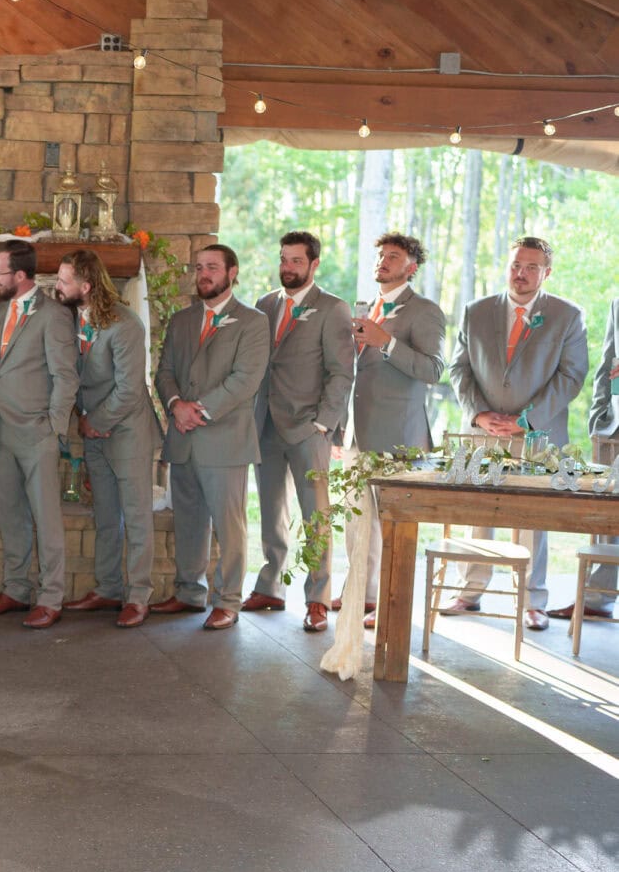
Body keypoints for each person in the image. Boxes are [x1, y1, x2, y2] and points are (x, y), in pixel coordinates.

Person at [448, 236, 588, 633]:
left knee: (531, 518)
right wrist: (478, 415)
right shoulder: (476, 311)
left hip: (537, 434)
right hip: (483, 433)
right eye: (515, 265)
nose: (521, 273)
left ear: (546, 272)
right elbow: (459, 368)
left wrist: (527, 420)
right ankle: (470, 591)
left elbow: (572, 375)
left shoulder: (567, 315)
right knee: (477, 511)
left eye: (531, 267)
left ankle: (532, 600)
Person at [152, 243, 269, 631]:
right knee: (188, 521)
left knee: (228, 525)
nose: (204, 274)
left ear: (232, 272)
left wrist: (196, 410)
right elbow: (163, 371)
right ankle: (188, 592)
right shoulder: (182, 320)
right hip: (183, 438)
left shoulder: (253, 322)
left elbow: (245, 380)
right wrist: (174, 405)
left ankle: (228, 600)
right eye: (199, 267)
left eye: (213, 267)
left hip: (225, 439)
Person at [241, 231, 353, 632]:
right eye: (284, 260)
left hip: (309, 428)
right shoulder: (264, 304)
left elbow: (342, 372)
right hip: (265, 422)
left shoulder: (333, 309)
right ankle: (270, 585)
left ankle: (317, 598)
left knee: (315, 517)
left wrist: (323, 423)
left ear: (313, 264)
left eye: (297, 261)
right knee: (271, 511)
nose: (288, 268)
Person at [338, 232, 445, 628]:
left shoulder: (424, 311)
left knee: (392, 531)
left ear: (411, 267)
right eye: (380, 254)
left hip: (400, 437)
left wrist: (386, 343)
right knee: (356, 522)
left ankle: (391, 605)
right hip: (358, 432)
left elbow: (433, 370)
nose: (383, 260)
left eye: (393, 256)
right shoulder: (368, 308)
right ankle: (361, 595)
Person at [0, 239, 79, 629]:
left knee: (46, 518)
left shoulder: (53, 315)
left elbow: (65, 377)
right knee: (12, 515)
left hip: (37, 433)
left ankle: (51, 597)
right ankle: (16, 590)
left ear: (20, 274)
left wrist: (53, 427)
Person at [54, 250, 161, 628]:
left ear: (85, 286)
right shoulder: (70, 320)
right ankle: (108, 587)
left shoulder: (126, 324)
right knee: (104, 514)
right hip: (94, 430)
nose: (57, 285)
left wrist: (93, 422)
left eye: (63, 280)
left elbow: (131, 389)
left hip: (128, 431)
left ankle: (138, 596)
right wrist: (85, 422)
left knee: (135, 516)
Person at [552, 292, 619, 622]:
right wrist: (599, 417)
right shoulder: (618, 302)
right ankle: (598, 597)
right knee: (606, 516)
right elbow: (608, 362)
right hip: (614, 427)